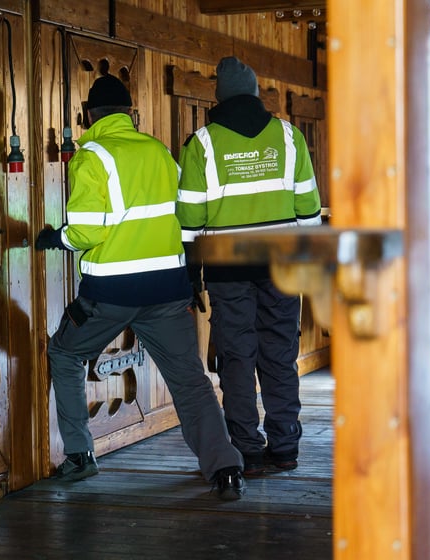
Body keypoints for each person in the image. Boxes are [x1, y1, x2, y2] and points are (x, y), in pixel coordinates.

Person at [35, 73, 246, 500]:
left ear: (88, 115)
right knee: (190, 380)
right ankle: (225, 468)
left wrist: (55, 238)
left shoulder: (91, 154)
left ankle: (79, 456)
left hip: (111, 294)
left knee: (65, 352)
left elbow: (88, 231)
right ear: (131, 113)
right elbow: (184, 216)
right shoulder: (159, 152)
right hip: (167, 290)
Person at [175, 57, 322, 477]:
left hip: (227, 268)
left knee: (237, 356)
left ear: (219, 97)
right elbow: (308, 210)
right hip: (281, 263)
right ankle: (286, 446)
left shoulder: (202, 143)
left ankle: (247, 448)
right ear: (257, 93)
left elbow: (189, 220)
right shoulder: (290, 138)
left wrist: (191, 274)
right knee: (280, 353)